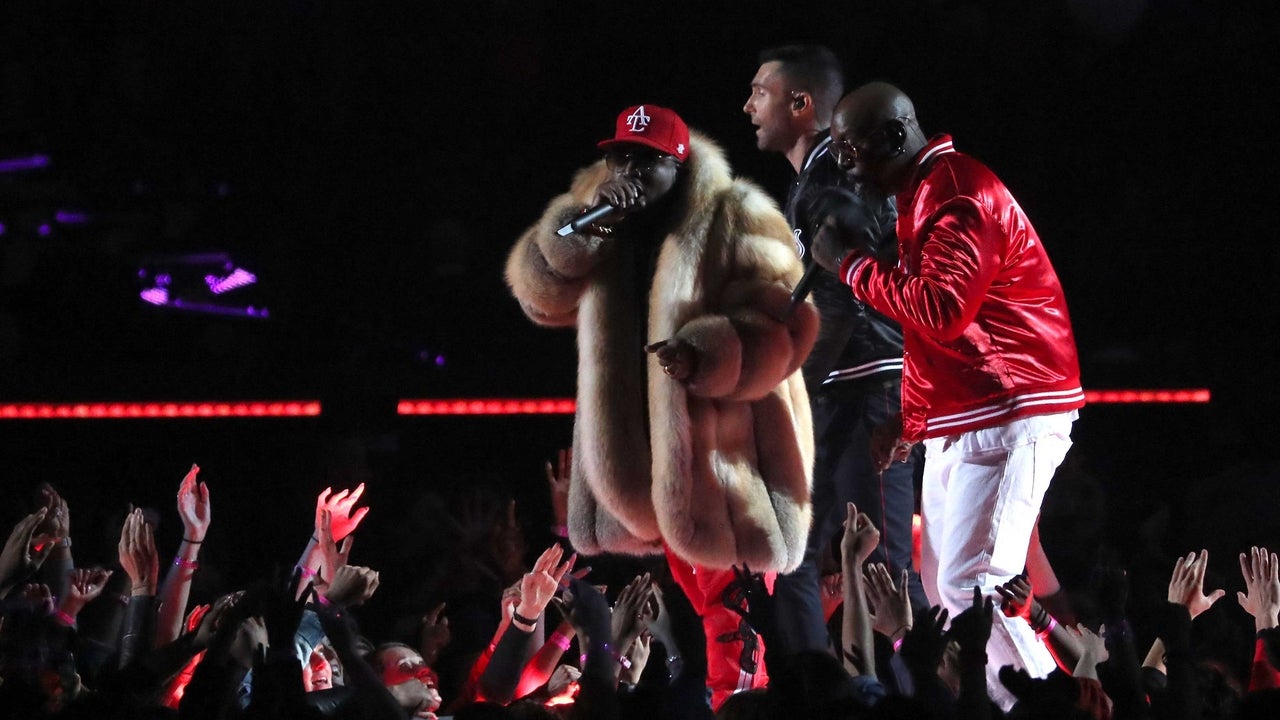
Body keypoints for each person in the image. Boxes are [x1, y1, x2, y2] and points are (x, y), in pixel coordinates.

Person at [505, 103, 818, 709]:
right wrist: (584, 229)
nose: (628, 169)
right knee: (688, 632)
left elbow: (786, 326)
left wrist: (708, 354)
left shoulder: (738, 216)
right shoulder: (596, 214)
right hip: (646, 463)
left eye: (646, 160)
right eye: (621, 155)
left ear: (679, 163)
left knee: (736, 630)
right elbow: (538, 297)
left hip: (730, 455)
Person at [810, 81, 1085, 708]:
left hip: (1013, 402)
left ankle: (1045, 710)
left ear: (896, 137)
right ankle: (1015, 702)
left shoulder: (957, 190)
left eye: (852, 150)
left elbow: (939, 310)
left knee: (976, 585)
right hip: (972, 408)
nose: (847, 167)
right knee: (943, 587)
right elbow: (932, 336)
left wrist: (850, 267)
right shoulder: (924, 191)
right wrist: (912, 419)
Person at [743, 44, 927, 655]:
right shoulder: (819, 179)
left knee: (883, 571)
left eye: (759, 92)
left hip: (867, 391)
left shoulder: (827, 177)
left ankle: (913, 694)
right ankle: (829, 692)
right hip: (848, 390)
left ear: (801, 104)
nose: (748, 107)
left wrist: (790, 385)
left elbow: (847, 302)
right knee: (806, 560)